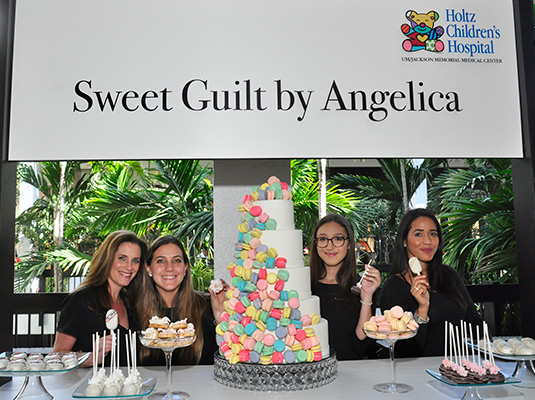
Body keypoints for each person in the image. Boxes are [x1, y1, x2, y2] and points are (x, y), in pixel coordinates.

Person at [379, 208, 484, 357]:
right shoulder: (393, 288)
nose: (427, 241)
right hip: (417, 372)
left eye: (433, 234)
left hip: (458, 368)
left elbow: (475, 325)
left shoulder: (449, 276)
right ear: (404, 241)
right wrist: (422, 309)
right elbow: (405, 350)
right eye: (418, 234)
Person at [53, 230, 147, 367]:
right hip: (90, 386)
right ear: (107, 259)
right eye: (122, 258)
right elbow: (58, 354)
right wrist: (90, 358)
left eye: (135, 261)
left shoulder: (130, 302)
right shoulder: (80, 300)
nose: (129, 267)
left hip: (129, 386)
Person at [136, 235, 226, 365]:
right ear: (148, 268)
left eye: (177, 260)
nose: (169, 268)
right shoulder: (133, 312)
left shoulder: (207, 306)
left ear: (185, 268)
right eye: (161, 261)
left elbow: (228, 361)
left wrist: (221, 320)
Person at [310, 214, 381, 360]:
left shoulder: (361, 287)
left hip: (352, 372)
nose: (330, 246)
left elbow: (362, 338)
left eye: (338, 239)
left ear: (349, 244)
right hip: (312, 374)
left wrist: (367, 297)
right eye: (323, 239)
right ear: (315, 244)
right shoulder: (305, 289)